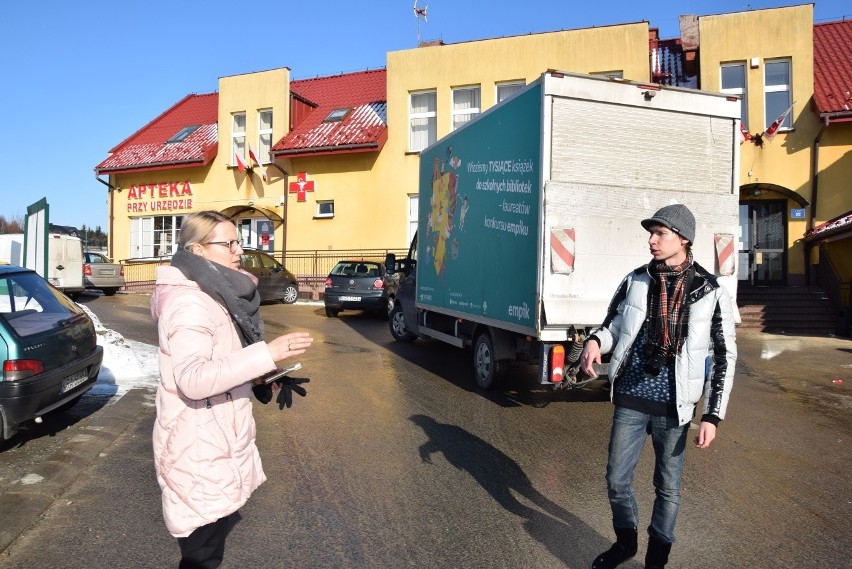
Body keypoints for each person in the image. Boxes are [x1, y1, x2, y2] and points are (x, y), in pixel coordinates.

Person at [150, 211, 313, 568]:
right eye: (229, 243)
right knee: (202, 555)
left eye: (238, 241)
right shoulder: (190, 302)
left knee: (208, 547)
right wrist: (266, 353)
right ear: (199, 250)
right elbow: (193, 379)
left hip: (215, 436)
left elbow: (222, 358)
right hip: (197, 444)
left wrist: (265, 375)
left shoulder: (216, 293)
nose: (239, 250)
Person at [580, 204, 736, 569]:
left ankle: (656, 561)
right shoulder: (636, 280)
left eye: (660, 233)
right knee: (616, 479)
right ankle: (626, 543)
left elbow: (725, 357)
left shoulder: (710, 292)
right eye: (651, 233)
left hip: (675, 407)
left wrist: (712, 416)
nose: (651, 240)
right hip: (632, 399)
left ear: (683, 239)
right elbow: (614, 325)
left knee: (668, 489)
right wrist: (593, 342)